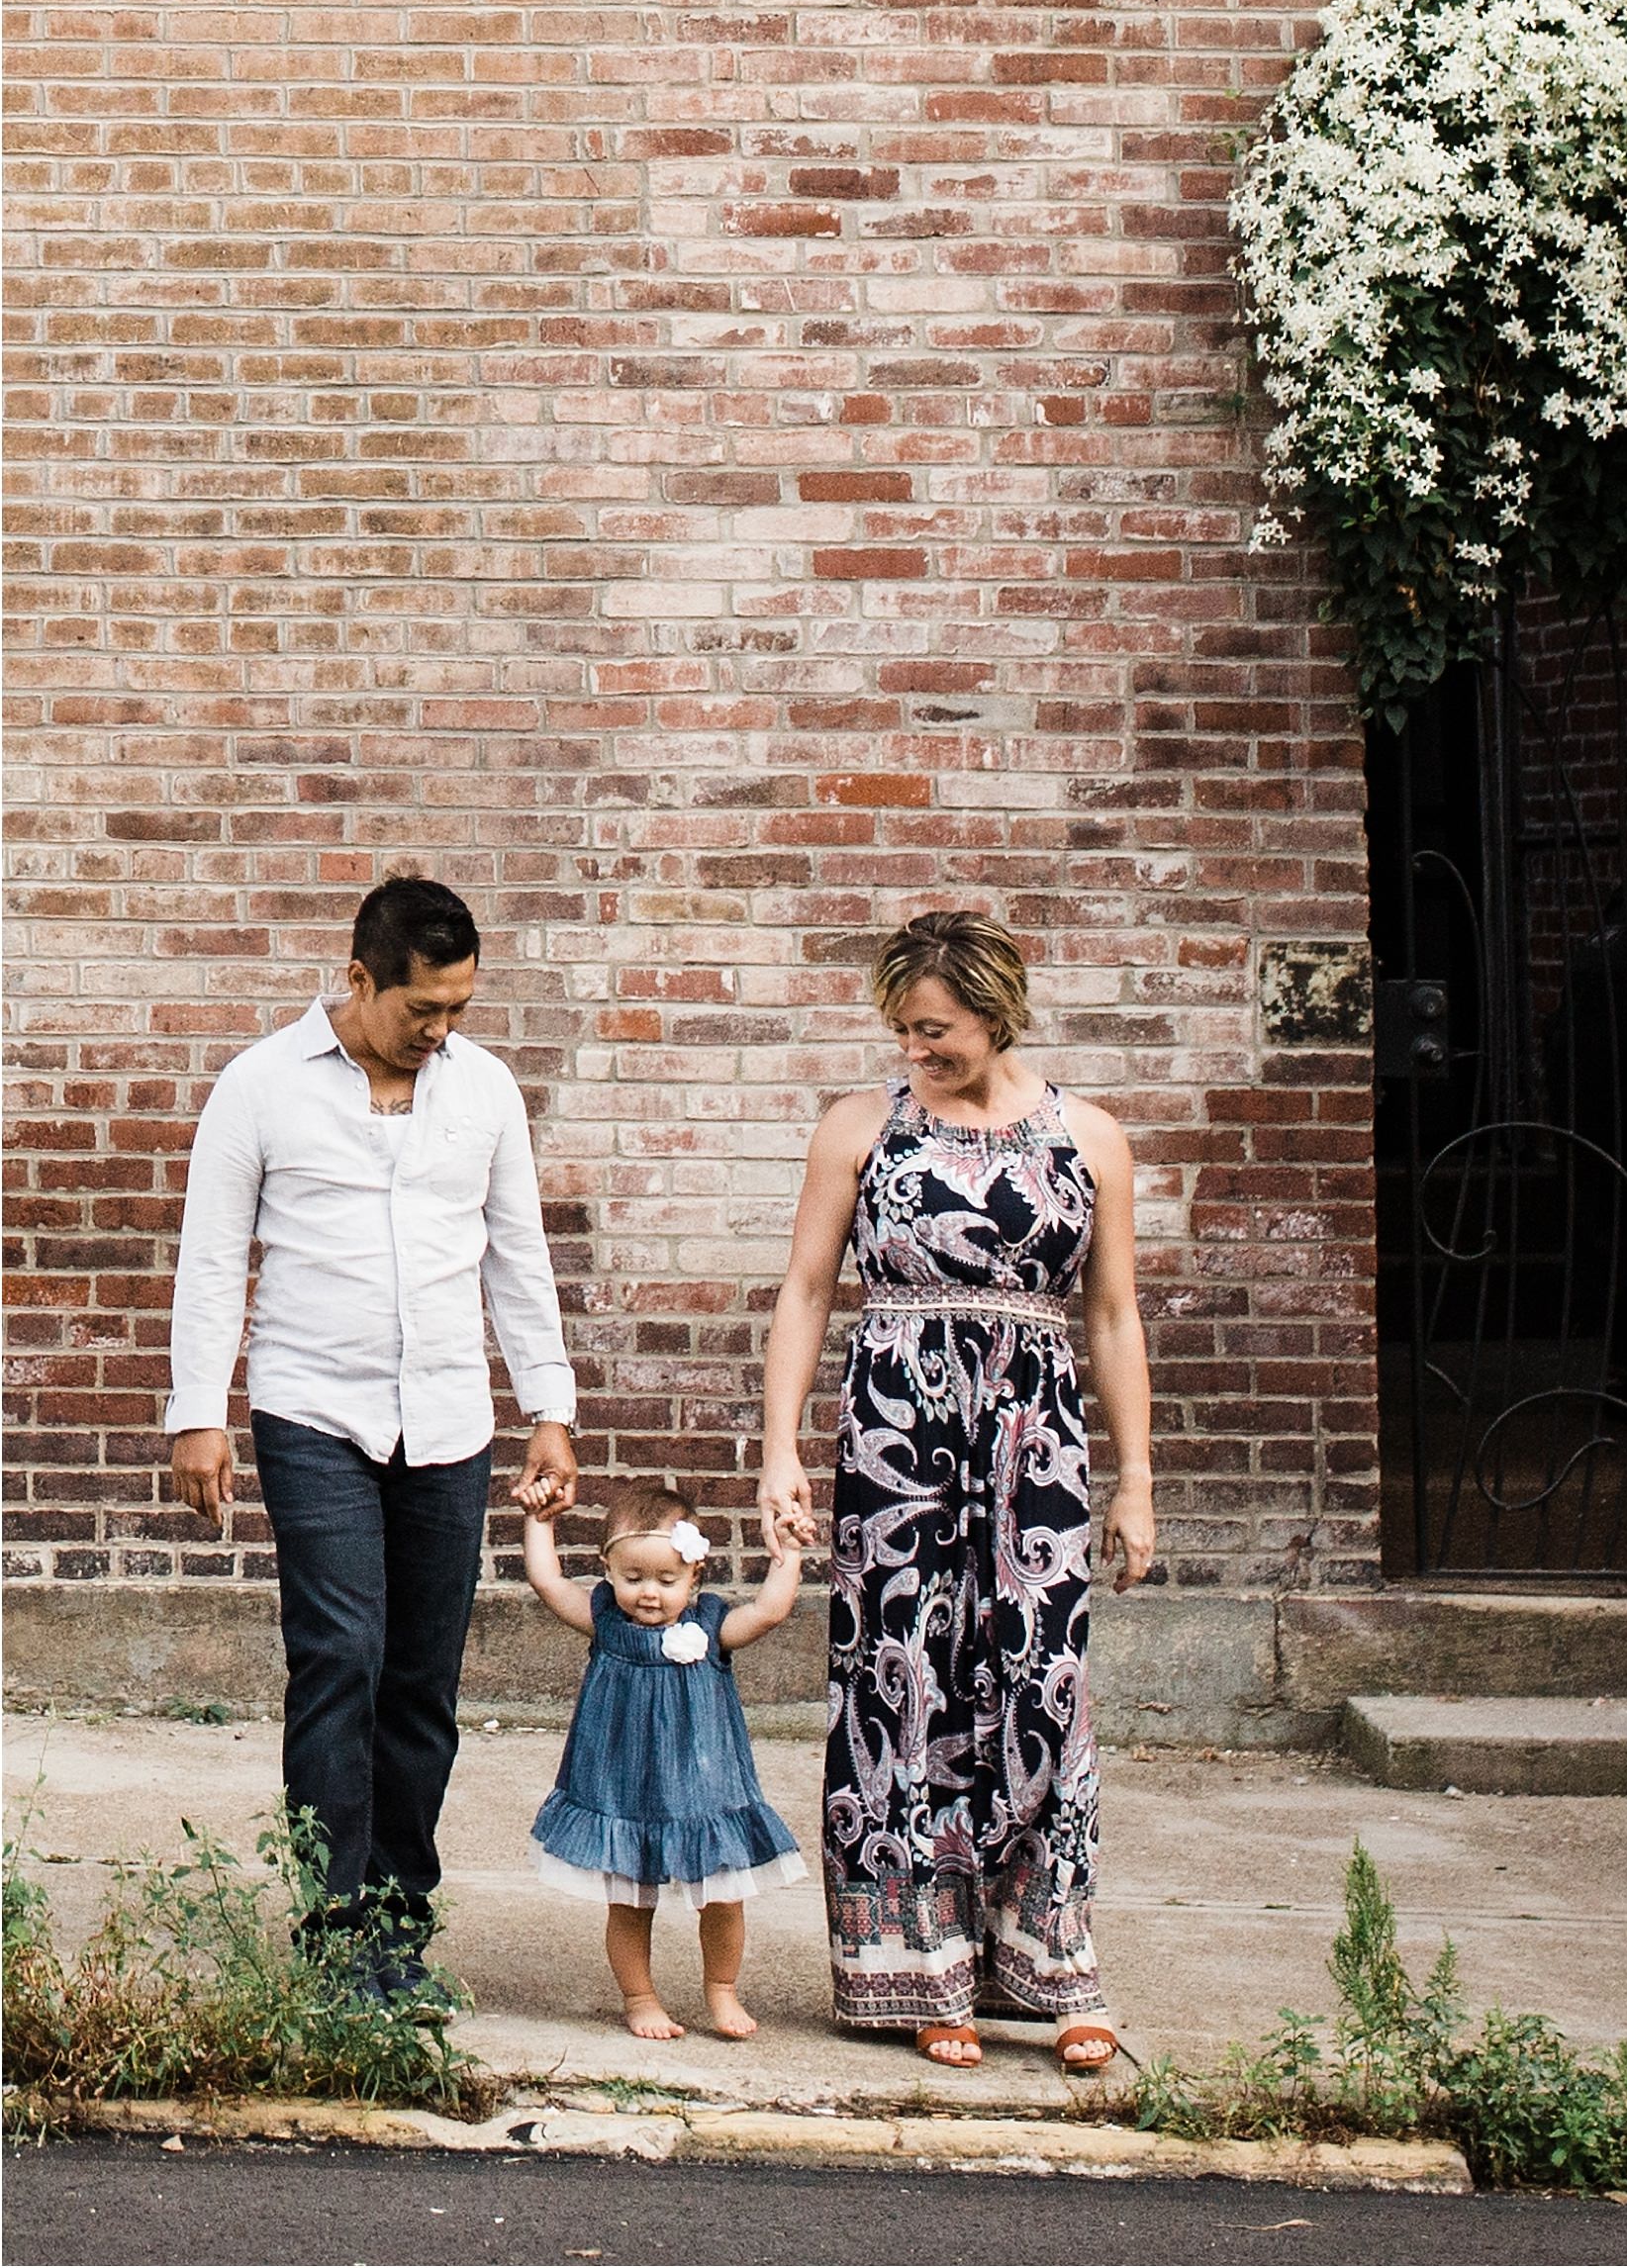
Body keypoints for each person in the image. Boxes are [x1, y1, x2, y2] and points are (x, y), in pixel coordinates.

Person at [758, 909, 1156, 2075]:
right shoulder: (858, 1129)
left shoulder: (1090, 1137)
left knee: (1041, 1687)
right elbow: (803, 1290)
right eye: (901, 1030)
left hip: (1036, 1448)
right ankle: (921, 1967)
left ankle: (1051, 1959)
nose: (915, 1050)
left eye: (934, 1029)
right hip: (896, 1438)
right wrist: (778, 1449)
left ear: (996, 1009)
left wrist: (1134, 1484)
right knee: (907, 1690)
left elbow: (1114, 1316)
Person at [164, 876, 579, 1992]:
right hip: (314, 1412)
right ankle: (333, 1929)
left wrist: (551, 1408)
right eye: (421, 1010)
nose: (440, 1030)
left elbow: (515, 1255)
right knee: (339, 1659)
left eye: (457, 1008)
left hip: (447, 1418)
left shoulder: (482, 1088)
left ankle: (399, 1922)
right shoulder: (259, 1087)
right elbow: (213, 1260)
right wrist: (198, 1412)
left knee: (421, 1680)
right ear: (358, 979)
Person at [523, 1473, 807, 2040]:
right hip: (623, 1791)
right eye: (632, 1578)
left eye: (665, 1579)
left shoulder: (711, 1627)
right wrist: (540, 1520)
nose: (648, 1592)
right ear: (608, 1571)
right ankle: (640, 1997)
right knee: (629, 1903)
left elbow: (770, 1612)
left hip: (706, 1792)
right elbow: (548, 1582)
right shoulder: (605, 1623)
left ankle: (721, 1989)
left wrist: (790, 1551)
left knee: (724, 1896)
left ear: (695, 1575)